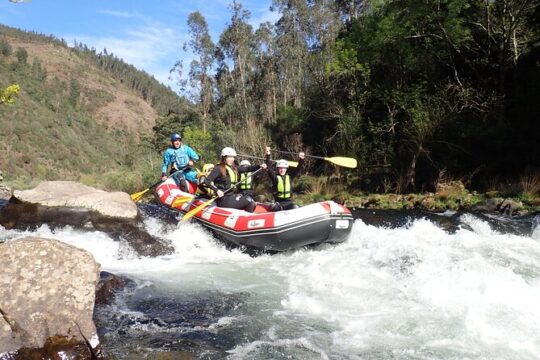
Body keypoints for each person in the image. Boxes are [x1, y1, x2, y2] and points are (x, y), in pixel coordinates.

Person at [205, 147, 267, 212]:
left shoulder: (234, 168)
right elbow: (207, 180)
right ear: (224, 157)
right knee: (249, 201)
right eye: (230, 157)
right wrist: (217, 190)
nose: (232, 159)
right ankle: (245, 220)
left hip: (231, 196)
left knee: (250, 200)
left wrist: (259, 166)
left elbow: (247, 169)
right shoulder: (218, 168)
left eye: (233, 157)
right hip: (223, 199)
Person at [265, 146, 305, 211]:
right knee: (274, 207)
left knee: (295, 207)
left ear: (286, 169)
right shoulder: (275, 177)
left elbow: (298, 169)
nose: (282, 170)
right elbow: (269, 167)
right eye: (280, 168)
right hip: (279, 203)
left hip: (289, 202)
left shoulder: (289, 177)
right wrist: (268, 154)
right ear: (278, 169)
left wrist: (301, 159)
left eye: (283, 168)